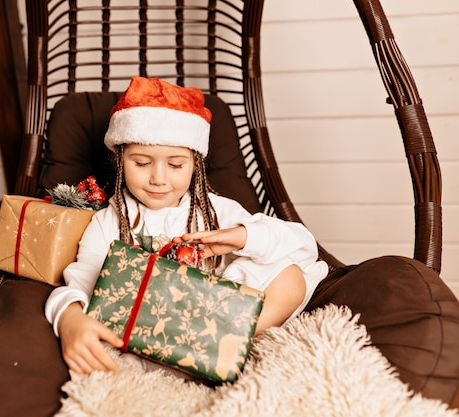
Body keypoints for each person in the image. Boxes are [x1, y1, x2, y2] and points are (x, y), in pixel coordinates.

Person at [44, 76, 329, 375]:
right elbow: (79, 280)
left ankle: (221, 348)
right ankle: (187, 358)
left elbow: (305, 247)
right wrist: (68, 320)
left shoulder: (217, 209)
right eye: (141, 163)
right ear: (120, 161)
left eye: (176, 165)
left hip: (220, 320)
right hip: (153, 325)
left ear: (195, 166)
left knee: (291, 277)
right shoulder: (108, 221)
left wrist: (244, 237)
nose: (158, 178)